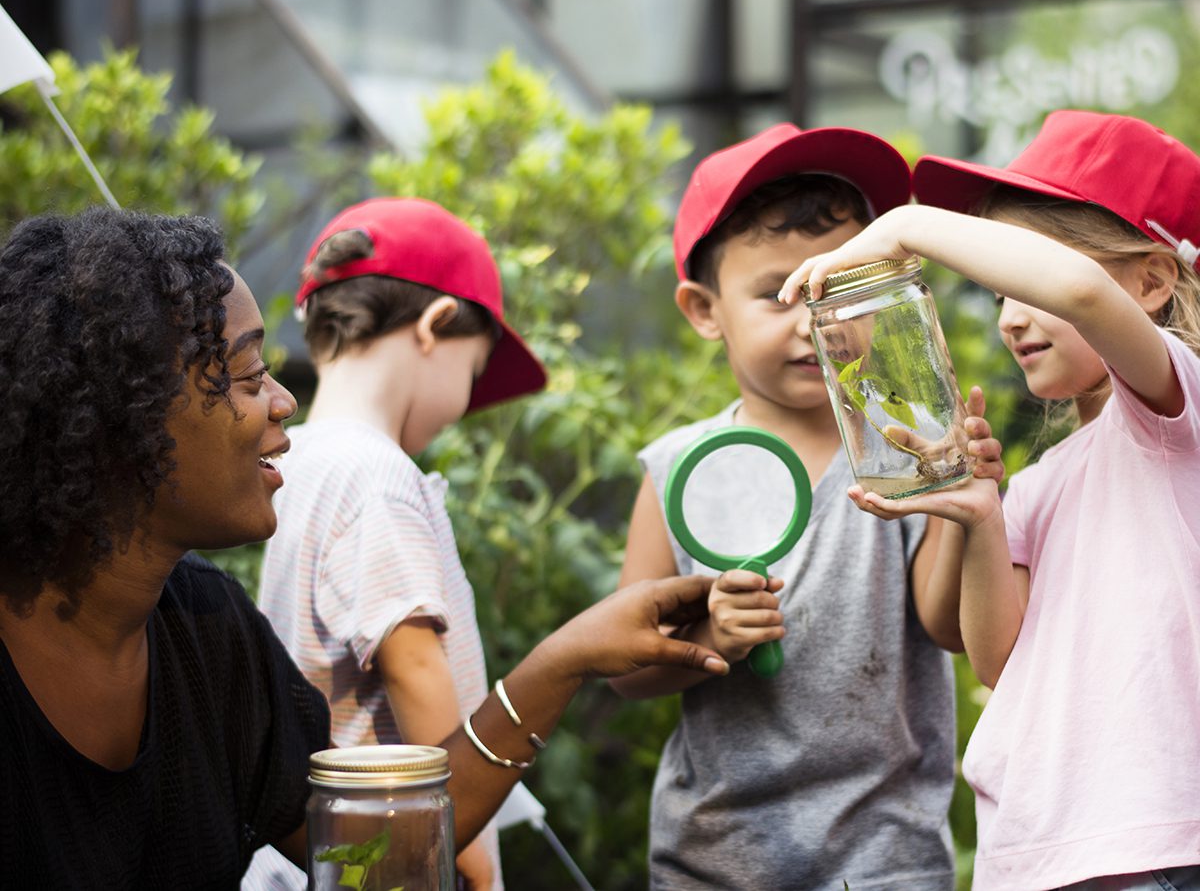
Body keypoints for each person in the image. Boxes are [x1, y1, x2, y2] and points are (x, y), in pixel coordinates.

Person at [0, 207, 739, 889]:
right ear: (124, 408)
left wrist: (562, 663)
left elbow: (369, 855)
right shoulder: (374, 477)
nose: (285, 402)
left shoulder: (207, 628)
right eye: (252, 376)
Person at [780, 110, 1200, 890]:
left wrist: (906, 225)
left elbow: (1077, 292)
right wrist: (979, 512)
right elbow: (1002, 659)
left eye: (1022, 279)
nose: (1010, 315)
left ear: (1151, 279)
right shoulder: (1042, 480)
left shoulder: (1176, 416)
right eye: (1000, 291)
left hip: (1152, 850)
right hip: (1037, 851)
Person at [612, 123, 1002, 890]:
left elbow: (944, 626)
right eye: (775, 295)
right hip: (717, 860)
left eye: (837, 287)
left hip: (885, 859)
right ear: (702, 309)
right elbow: (626, 668)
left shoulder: (911, 444)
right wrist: (708, 634)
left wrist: (964, 502)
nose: (811, 321)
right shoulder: (678, 469)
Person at [244, 197, 545, 890]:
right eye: (472, 376)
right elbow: (413, 669)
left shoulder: (297, 460)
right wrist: (470, 857)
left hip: (320, 847)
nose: (464, 405)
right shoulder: (376, 476)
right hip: (393, 857)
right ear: (438, 326)